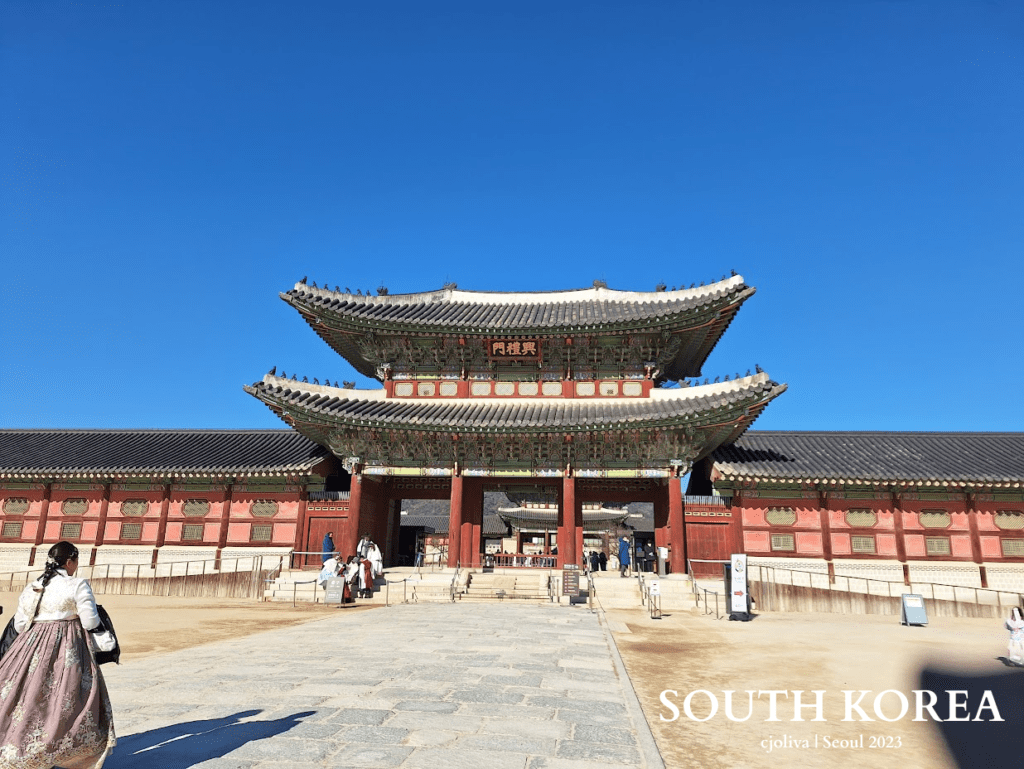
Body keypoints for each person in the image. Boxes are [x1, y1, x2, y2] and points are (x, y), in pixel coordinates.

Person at [0, 541, 116, 767]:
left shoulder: (34, 585)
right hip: (67, 645)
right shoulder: (77, 584)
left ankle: (17, 745)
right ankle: (58, 750)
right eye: (76, 562)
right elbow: (90, 620)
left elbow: (21, 623)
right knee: (67, 698)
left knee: (24, 696)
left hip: (30, 645)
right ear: (70, 561)